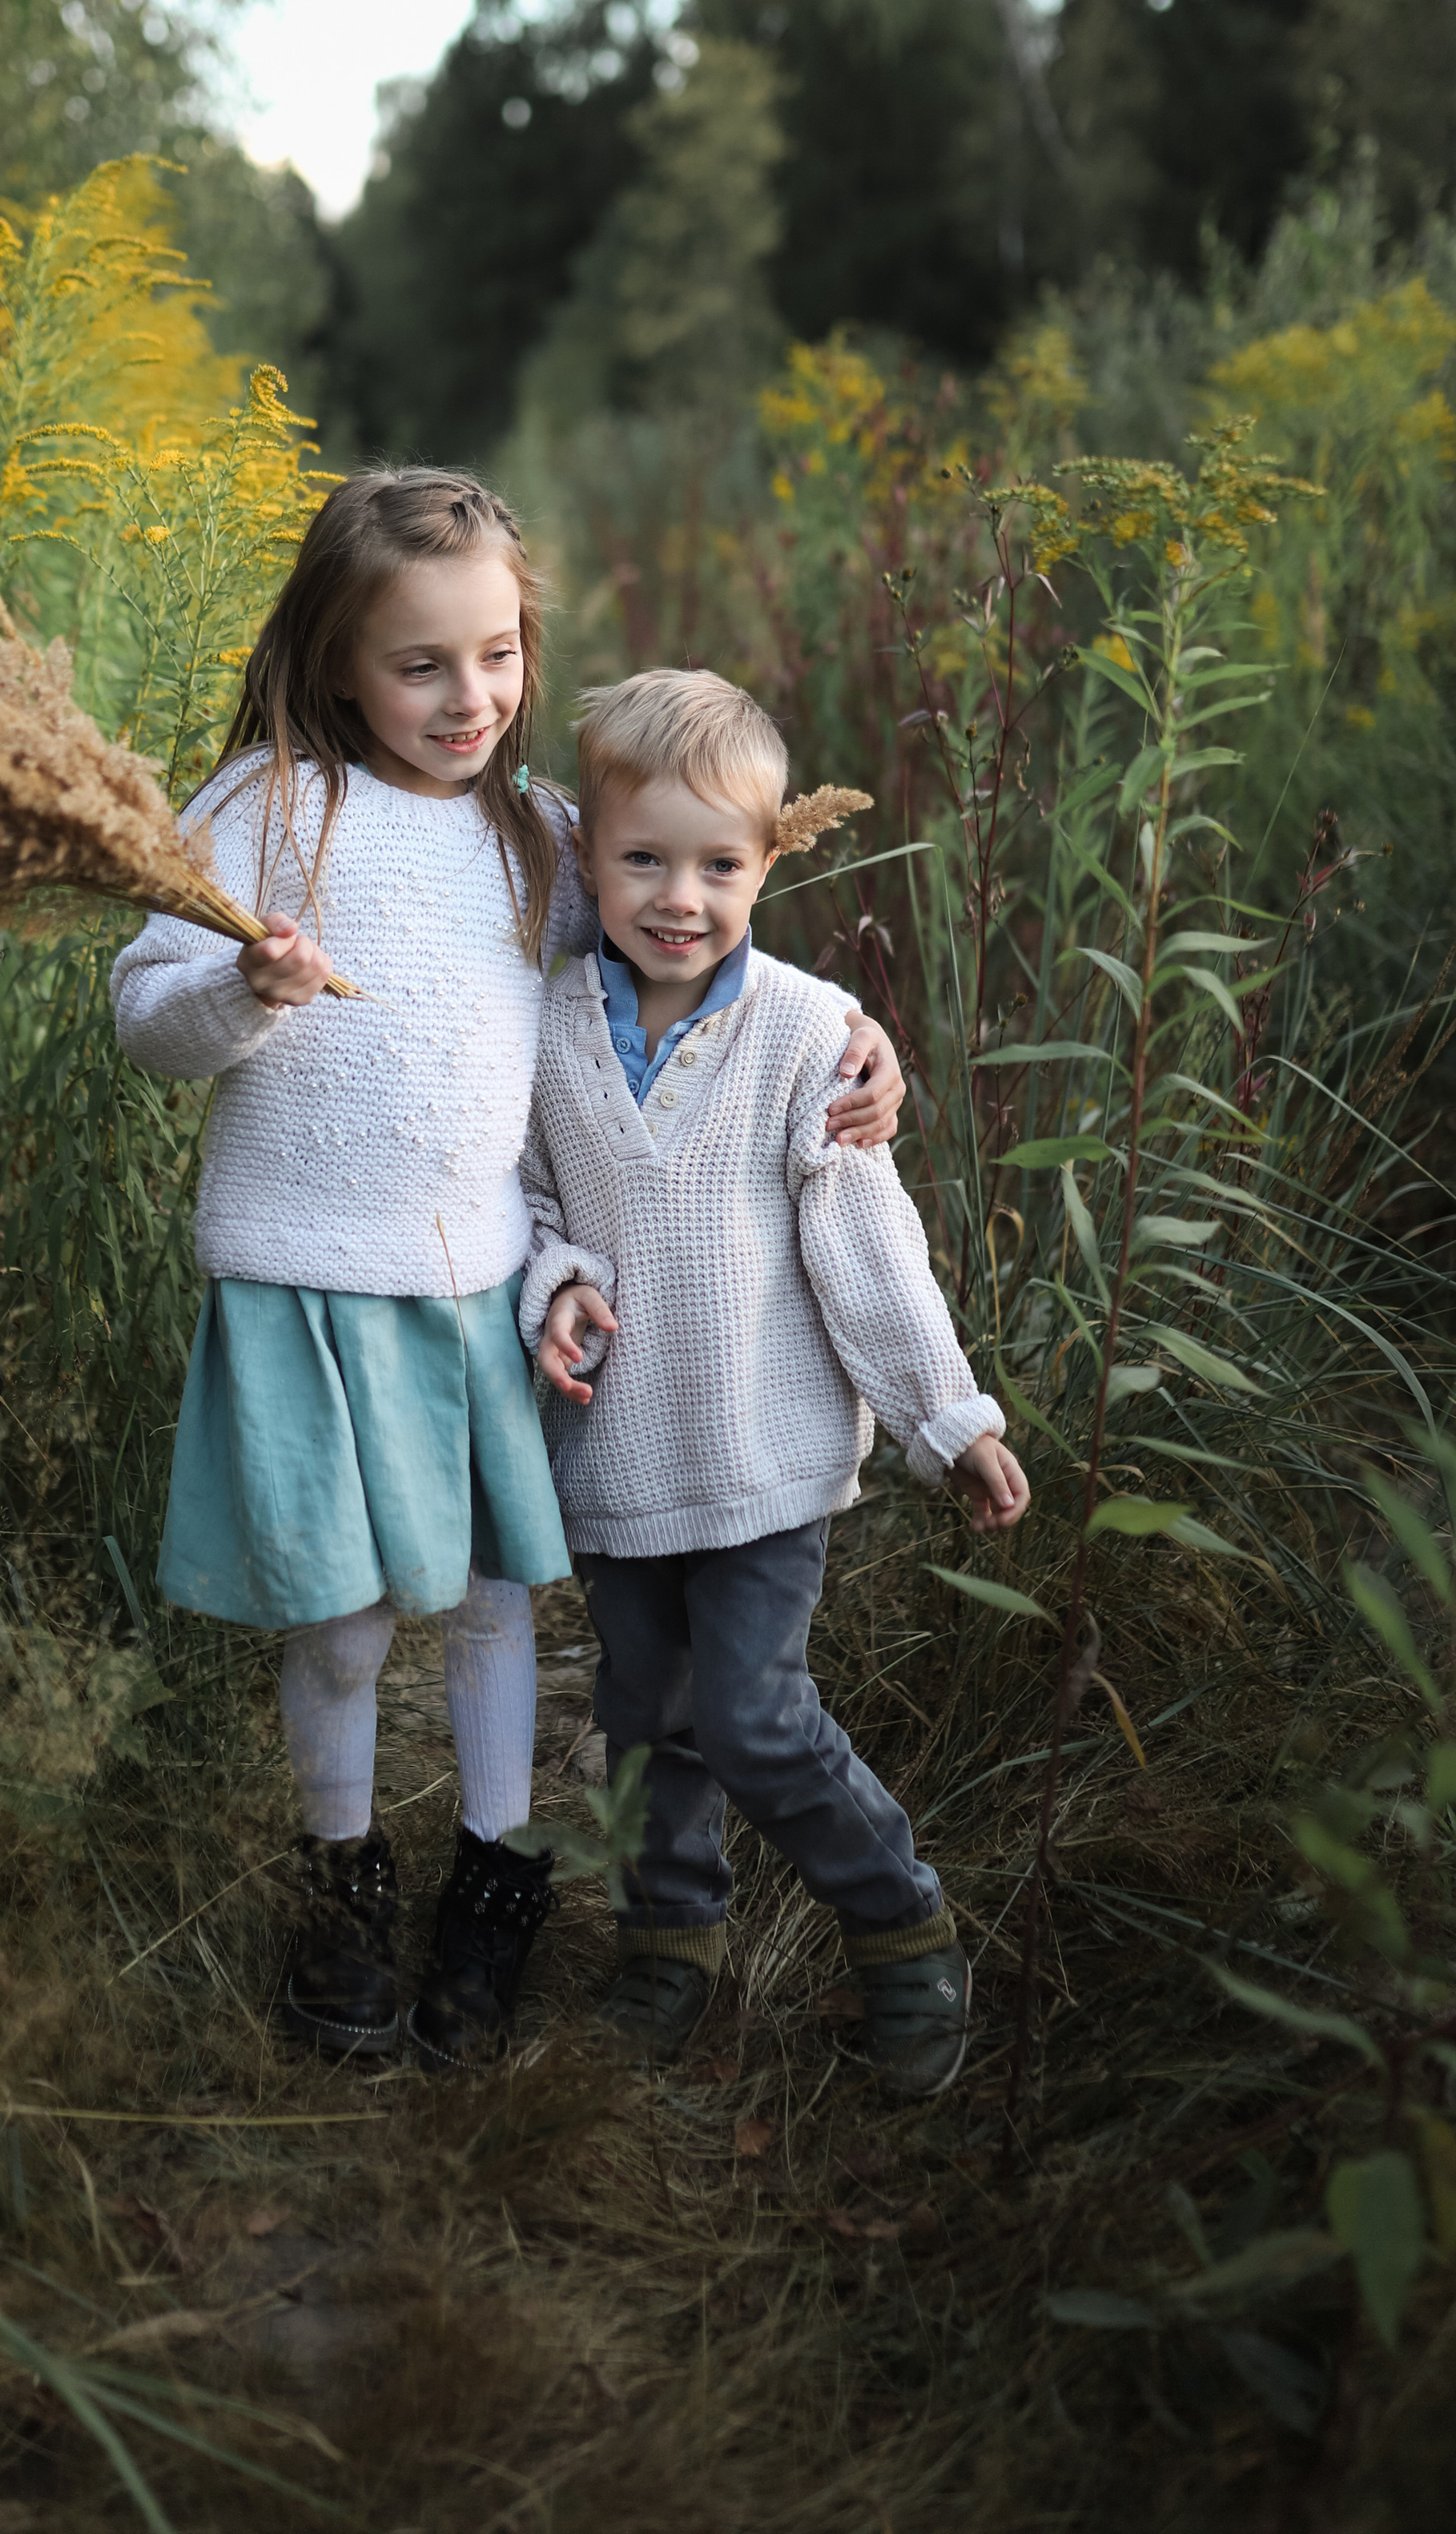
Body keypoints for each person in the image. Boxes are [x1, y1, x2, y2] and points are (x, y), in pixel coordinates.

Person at [111, 472, 908, 2069]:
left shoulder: (536, 836)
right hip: (300, 1288)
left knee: (491, 1604)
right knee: (337, 1622)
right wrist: (246, 992)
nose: (466, 697)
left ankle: (497, 1876)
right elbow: (144, 1021)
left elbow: (690, 960)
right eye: (420, 665)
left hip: (475, 1286)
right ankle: (342, 1871)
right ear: (340, 660)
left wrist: (856, 1038)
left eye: (495, 655)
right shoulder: (260, 811)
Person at [521, 668, 1030, 2095]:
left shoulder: (811, 1033)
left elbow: (868, 1246)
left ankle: (898, 1920)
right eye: (642, 861)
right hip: (618, 1447)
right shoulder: (548, 1029)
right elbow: (528, 1205)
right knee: (644, 1713)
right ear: (587, 859)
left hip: (761, 1450)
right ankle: (669, 1939)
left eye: (720, 866)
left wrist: (948, 1420)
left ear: (767, 861)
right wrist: (551, 1286)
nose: (679, 897)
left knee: (749, 1712)